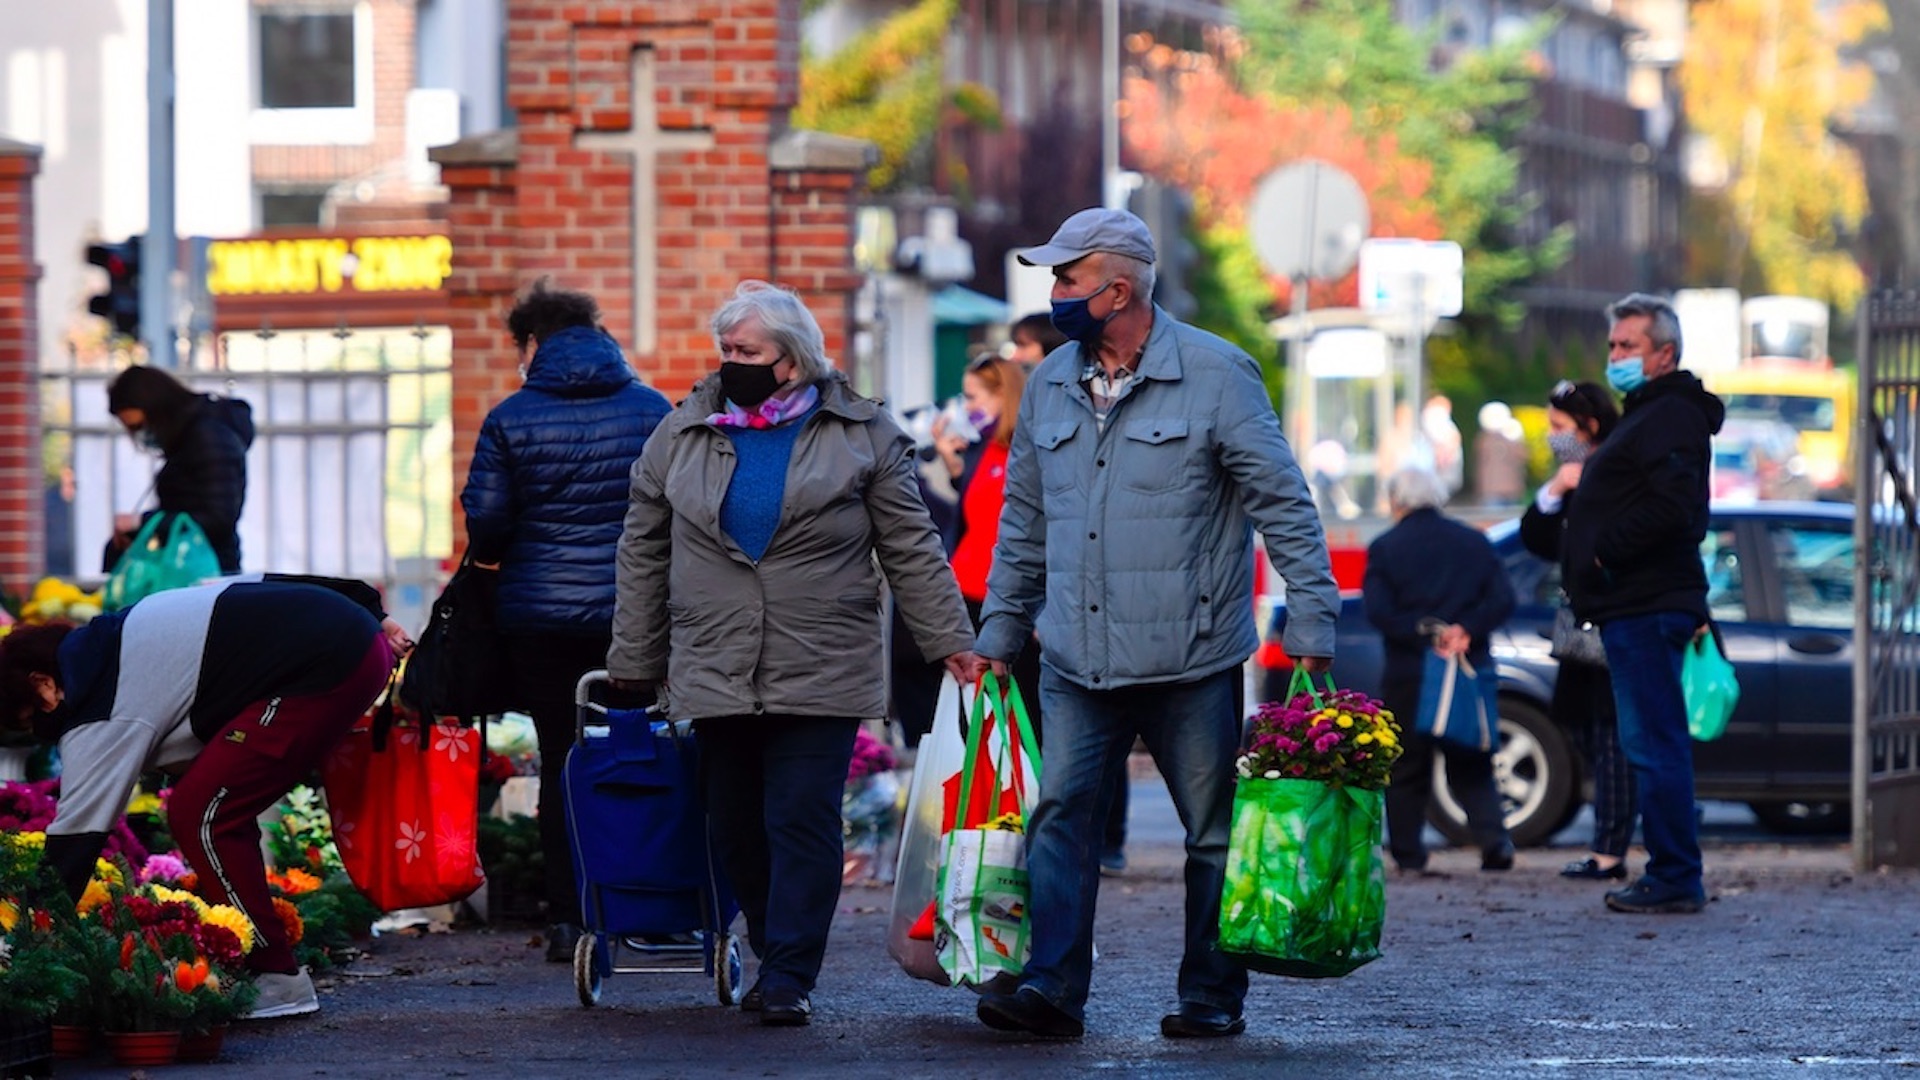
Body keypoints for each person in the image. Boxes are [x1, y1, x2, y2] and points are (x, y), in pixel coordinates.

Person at [968, 207, 1339, 1040]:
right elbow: (1023, 521)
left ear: (1118, 288)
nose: (1055, 294)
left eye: (1067, 279)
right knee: (1060, 818)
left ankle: (1211, 994)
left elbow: (1284, 504)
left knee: (1211, 835)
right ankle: (1051, 989)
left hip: (1191, 655)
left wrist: (1312, 620)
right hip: (1073, 655)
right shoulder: (1053, 384)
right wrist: (998, 633)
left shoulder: (1217, 373)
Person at [606, 280, 976, 1026]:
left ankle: (789, 973)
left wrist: (951, 644)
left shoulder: (860, 434)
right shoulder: (681, 433)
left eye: (747, 351)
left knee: (801, 818)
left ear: (793, 361)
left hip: (822, 659)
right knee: (733, 821)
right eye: (726, 350)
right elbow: (642, 551)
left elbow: (911, 547)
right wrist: (635, 659)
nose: (730, 363)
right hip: (714, 657)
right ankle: (773, 945)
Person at [0, 574, 413, 1019]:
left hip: (329, 664)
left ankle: (277, 976)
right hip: (350, 641)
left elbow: (75, 840)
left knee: (202, 815)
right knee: (215, 798)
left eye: (28, 723)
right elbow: (253, 583)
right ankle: (269, 964)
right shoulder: (121, 634)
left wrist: (20, 940)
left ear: (43, 685)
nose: (40, 735)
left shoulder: (100, 706)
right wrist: (371, 609)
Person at [459, 280, 672, 962]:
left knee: (562, 756)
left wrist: (502, 559)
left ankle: (571, 916)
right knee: (651, 747)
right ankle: (652, 900)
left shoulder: (510, 417)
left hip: (540, 619)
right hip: (637, 615)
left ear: (532, 344)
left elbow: (488, 521)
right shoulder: (652, 410)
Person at [1564, 293, 1724, 915]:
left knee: (1654, 744)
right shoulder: (1650, 412)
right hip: (1634, 602)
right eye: (1612, 346)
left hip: (1646, 601)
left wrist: (1604, 551)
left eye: (1628, 346)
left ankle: (1676, 875)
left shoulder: (1669, 416)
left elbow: (1676, 508)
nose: (1615, 357)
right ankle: (1672, 871)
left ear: (1664, 353)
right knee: (1651, 743)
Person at [1363, 466, 1517, 875]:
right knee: (1471, 760)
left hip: (1410, 671)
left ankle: (1409, 855)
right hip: (1465, 668)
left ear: (1397, 502)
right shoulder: (1473, 542)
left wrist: (1423, 633)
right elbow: (1502, 598)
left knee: (1406, 766)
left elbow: (1378, 611)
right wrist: (1466, 630)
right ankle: (1494, 842)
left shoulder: (1385, 547)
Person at [1519, 380, 1632, 881]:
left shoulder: (1616, 468)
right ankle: (1616, 827)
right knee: (1582, 726)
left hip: (1610, 624)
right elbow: (1539, 540)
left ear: (1587, 426)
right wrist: (1554, 491)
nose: (1552, 437)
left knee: (1612, 740)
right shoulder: (1569, 479)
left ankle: (1610, 846)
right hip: (1577, 630)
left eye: (1559, 428)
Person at [104, 365, 255, 574]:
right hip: (194, 564)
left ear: (157, 411)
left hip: (206, 570)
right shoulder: (189, 438)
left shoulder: (208, 438)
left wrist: (142, 522)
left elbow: (218, 518)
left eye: (141, 426)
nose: (142, 436)